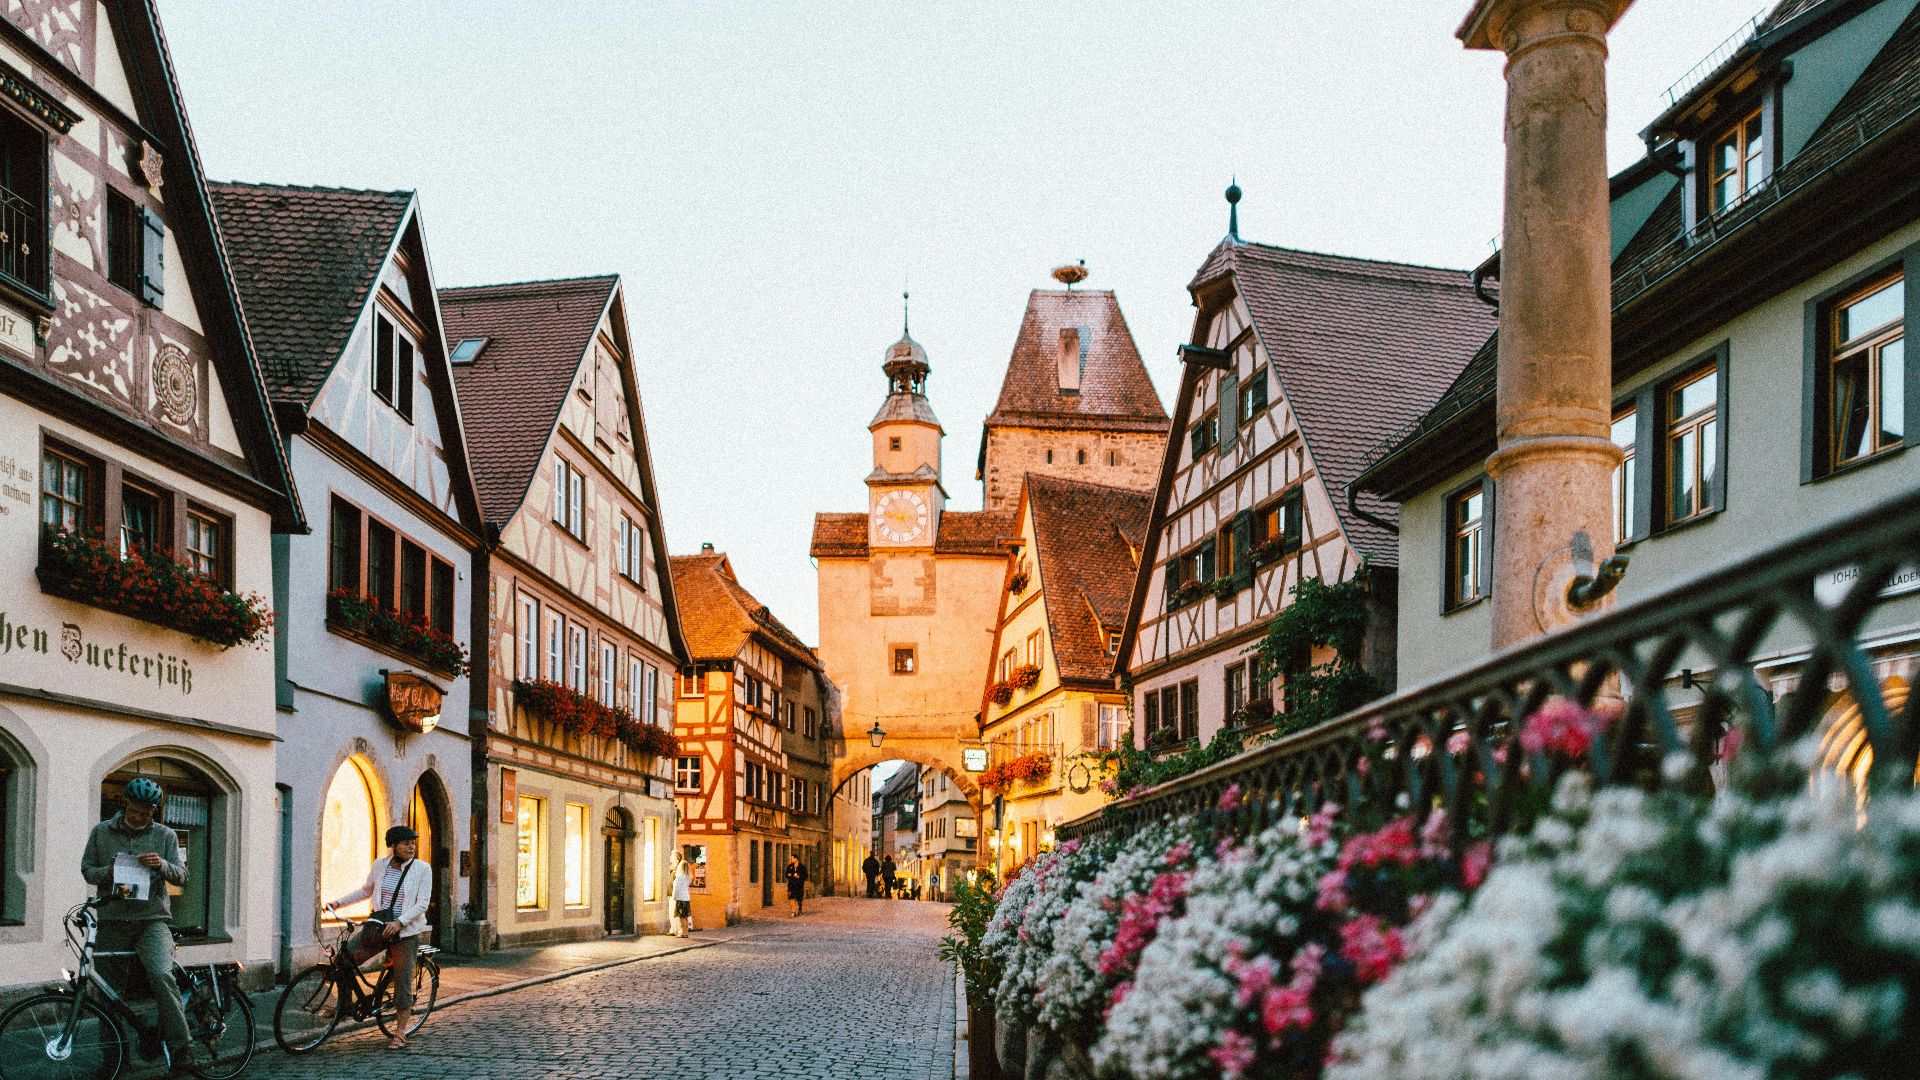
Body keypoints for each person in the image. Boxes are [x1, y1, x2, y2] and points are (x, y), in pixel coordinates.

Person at [81, 778, 191, 1071]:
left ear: (153, 811)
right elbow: (87, 871)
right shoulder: (101, 832)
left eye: (146, 812)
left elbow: (182, 876)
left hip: (151, 920)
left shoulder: (165, 835)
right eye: (134, 810)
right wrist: (111, 871)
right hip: (113, 919)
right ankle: (114, 1059)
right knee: (107, 993)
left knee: (160, 975)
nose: (139, 816)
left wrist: (162, 865)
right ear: (125, 804)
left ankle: (182, 1049)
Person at [325, 825, 432, 1050]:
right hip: (378, 926)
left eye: (413, 842)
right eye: (406, 843)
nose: (411, 847)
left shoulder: (422, 869)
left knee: (403, 981)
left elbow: (422, 903)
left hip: (405, 932)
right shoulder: (380, 865)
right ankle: (344, 1006)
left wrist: (400, 922)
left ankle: (400, 1033)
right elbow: (366, 890)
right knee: (343, 960)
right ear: (393, 846)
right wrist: (338, 903)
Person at [671, 851, 694, 936]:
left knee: (681, 917)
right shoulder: (688, 877)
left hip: (680, 898)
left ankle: (682, 933)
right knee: (685, 916)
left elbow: (676, 888)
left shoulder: (680, 877)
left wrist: (674, 897)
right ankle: (686, 932)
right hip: (686, 898)